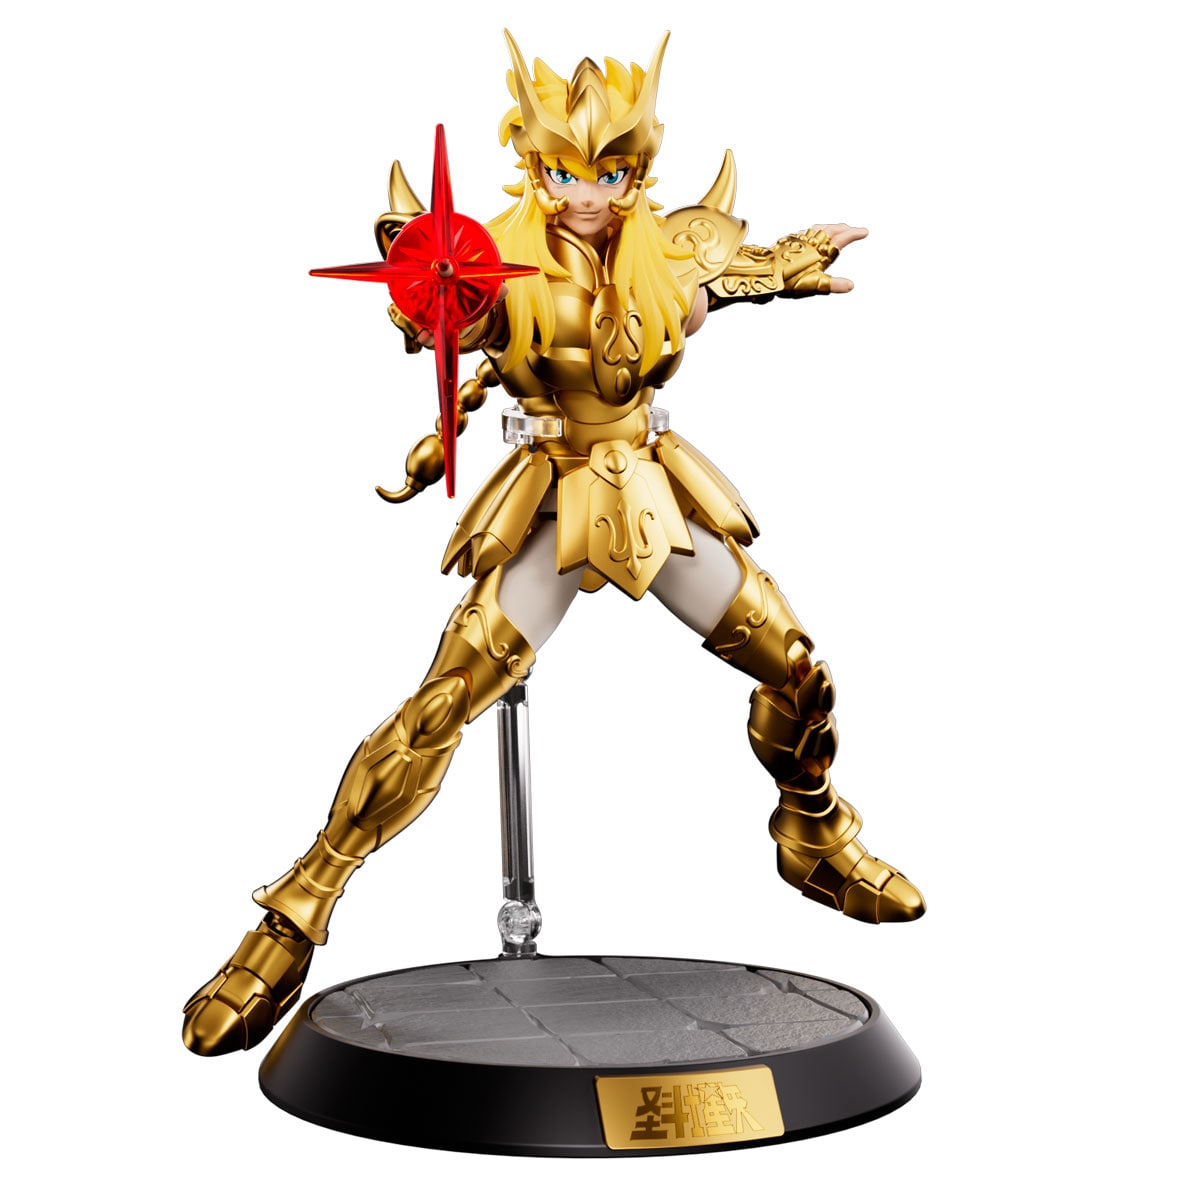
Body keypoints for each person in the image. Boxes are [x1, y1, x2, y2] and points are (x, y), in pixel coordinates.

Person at [183, 31, 924, 1058]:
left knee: (800, 672)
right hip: (551, 494)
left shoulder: (667, 251)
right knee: (439, 706)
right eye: (567, 172)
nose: (588, 192)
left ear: (637, 170)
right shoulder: (500, 262)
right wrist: (429, 293)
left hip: (652, 487)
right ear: (534, 165)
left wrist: (790, 265)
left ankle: (813, 833)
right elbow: (446, 310)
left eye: (610, 172)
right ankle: (294, 915)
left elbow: (731, 278)